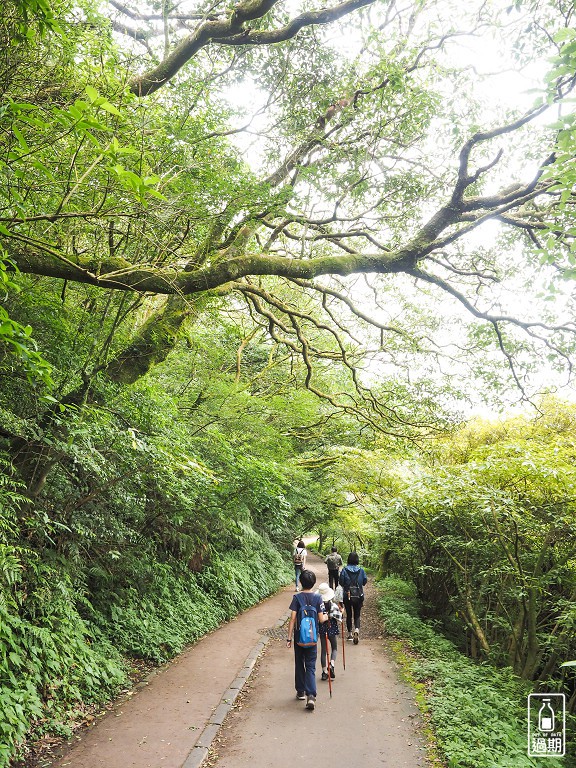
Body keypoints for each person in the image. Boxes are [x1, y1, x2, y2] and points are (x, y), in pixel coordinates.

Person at [286, 569, 327, 710]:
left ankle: (300, 691)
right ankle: (311, 695)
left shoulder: (297, 598)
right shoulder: (318, 598)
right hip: (313, 638)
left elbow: (292, 619)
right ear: (313, 582)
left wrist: (289, 638)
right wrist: (328, 616)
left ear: (301, 582)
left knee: (299, 663)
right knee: (310, 666)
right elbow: (321, 620)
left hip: (299, 638)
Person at [339, 551, 367, 645]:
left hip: (347, 595)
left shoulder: (344, 570)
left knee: (349, 614)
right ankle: (357, 629)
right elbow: (364, 582)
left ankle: (350, 634)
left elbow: (341, 582)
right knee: (357, 614)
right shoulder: (361, 570)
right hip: (359, 596)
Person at [316, 582, 343, 681]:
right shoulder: (332, 605)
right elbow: (339, 616)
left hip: (322, 627)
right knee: (334, 647)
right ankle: (331, 663)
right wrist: (342, 611)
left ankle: (324, 672)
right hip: (331, 626)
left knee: (324, 650)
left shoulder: (318, 605)